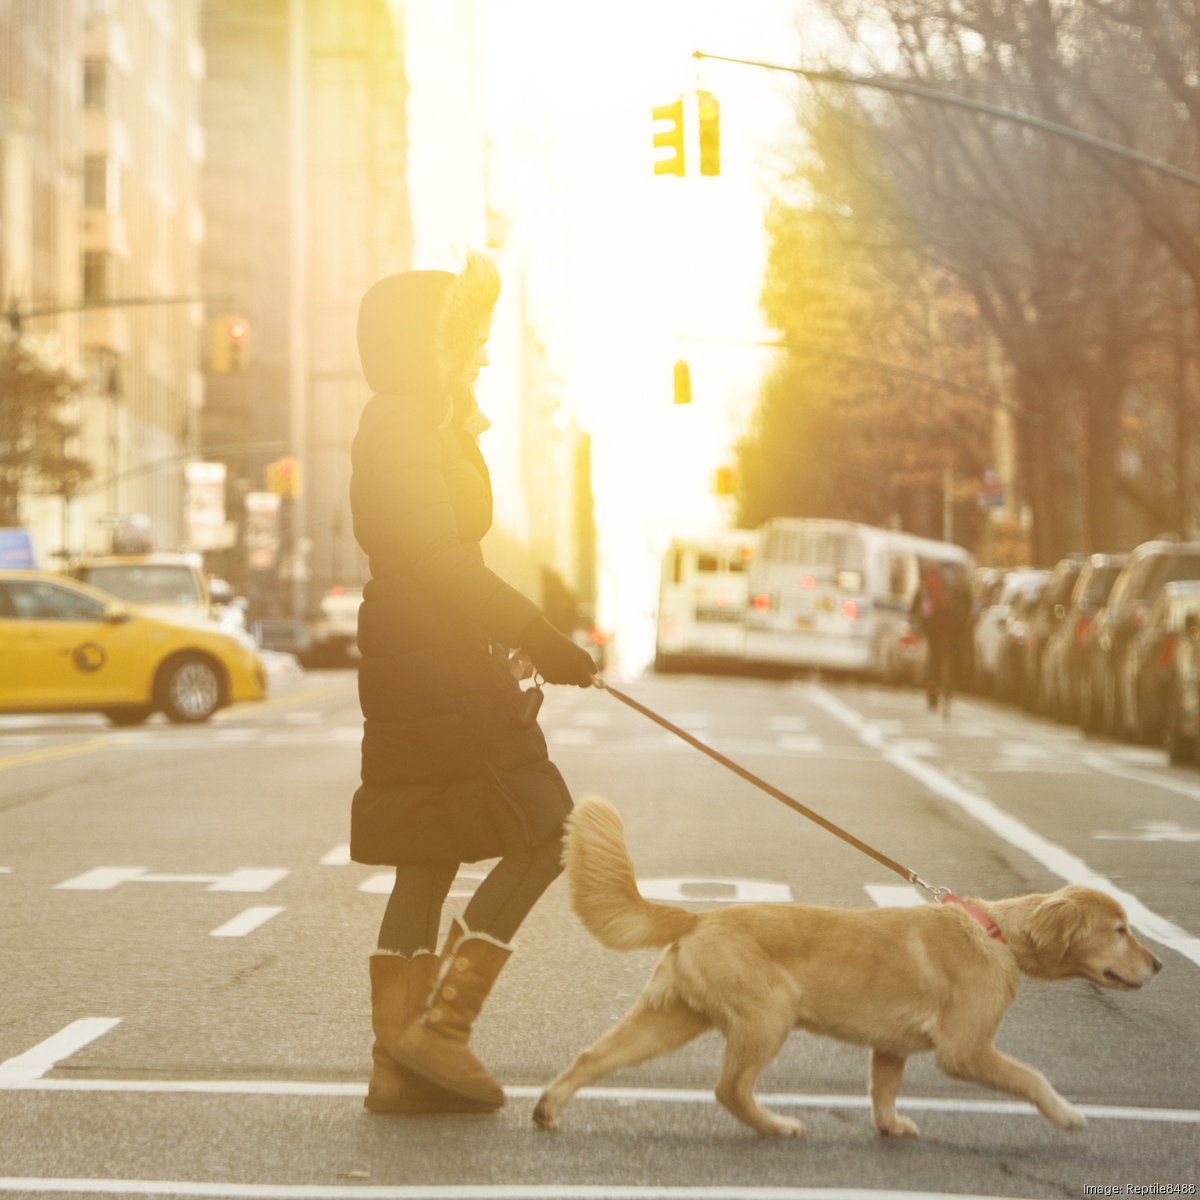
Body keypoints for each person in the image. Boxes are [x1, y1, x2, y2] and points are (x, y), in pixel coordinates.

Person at [349, 253, 597, 1116]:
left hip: (431, 653)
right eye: (471, 341)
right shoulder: (403, 429)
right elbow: (439, 557)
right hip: (433, 660)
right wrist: (537, 637)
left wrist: (513, 643)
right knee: (543, 827)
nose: (485, 356)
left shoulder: (420, 423)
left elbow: (446, 558)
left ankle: (398, 1068)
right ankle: (437, 1033)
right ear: (427, 347)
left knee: (430, 847)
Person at [911, 559, 970, 713]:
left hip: (934, 625)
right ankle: (950, 688)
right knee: (952, 656)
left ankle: (932, 688)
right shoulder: (960, 581)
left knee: (934, 657)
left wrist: (920, 621)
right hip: (954, 626)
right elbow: (968, 604)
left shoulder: (929, 580)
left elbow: (919, 602)